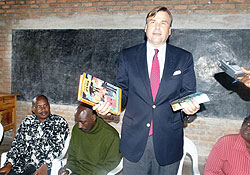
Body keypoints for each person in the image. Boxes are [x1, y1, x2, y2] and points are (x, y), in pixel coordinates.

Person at [94, 6, 200, 175]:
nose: (157, 27)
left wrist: (190, 109)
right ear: (145, 28)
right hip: (135, 140)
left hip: (169, 141)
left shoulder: (184, 58)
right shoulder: (127, 56)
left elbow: (188, 94)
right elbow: (123, 92)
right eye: (153, 22)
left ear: (170, 30)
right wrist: (110, 104)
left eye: (163, 23)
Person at [0, 95, 69, 175]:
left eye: (45, 105)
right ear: (33, 109)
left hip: (41, 166)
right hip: (21, 164)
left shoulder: (59, 122)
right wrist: (9, 164)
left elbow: (57, 147)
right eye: (39, 107)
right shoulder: (28, 121)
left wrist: (45, 165)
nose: (43, 109)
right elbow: (17, 144)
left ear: (49, 105)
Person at [58, 103, 121, 175]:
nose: (79, 126)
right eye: (77, 121)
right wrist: (68, 170)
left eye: (83, 122)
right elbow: (72, 157)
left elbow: (111, 164)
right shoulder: (76, 129)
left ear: (93, 118)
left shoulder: (111, 135)